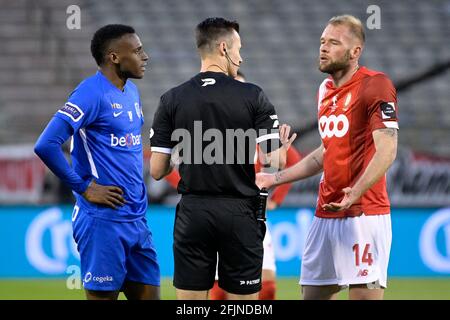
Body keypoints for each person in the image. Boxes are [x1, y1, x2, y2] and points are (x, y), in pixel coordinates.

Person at [149, 17, 295, 300]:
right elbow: (275, 161)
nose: (242, 56)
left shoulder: (171, 99)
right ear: (224, 48)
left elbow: (157, 170)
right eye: (239, 48)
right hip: (239, 213)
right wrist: (283, 147)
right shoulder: (253, 95)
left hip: (193, 212)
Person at [256, 15, 399, 300]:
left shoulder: (376, 86)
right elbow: (326, 152)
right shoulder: (324, 90)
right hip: (325, 214)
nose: (323, 48)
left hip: (364, 214)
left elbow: (387, 149)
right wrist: (274, 177)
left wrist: (355, 191)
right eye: (322, 41)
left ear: (355, 52)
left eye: (334, 43)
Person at [34, 24, 160, 300]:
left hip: (137, 219)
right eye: (137, 51)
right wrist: (83, 186)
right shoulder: (90, 92)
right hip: (103, 221)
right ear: (114, 57)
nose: (145, 56)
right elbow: (46, 144)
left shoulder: (131, 92)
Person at [209, 71, 303, 300]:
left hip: (253, 215)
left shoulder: (259, 130)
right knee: (220, 289)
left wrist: (276, 199)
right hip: (218, 214)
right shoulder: (211, 130)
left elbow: (293, 161)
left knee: (266, 286)